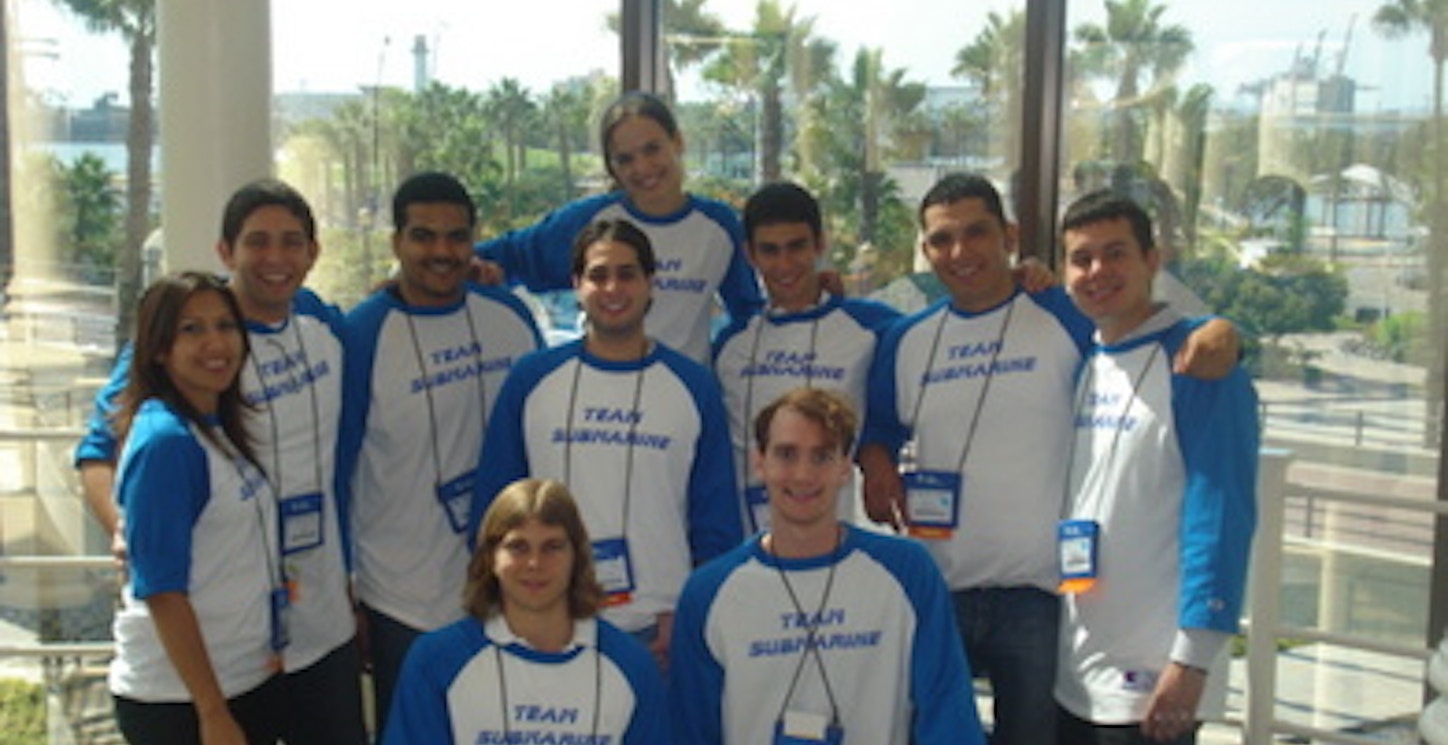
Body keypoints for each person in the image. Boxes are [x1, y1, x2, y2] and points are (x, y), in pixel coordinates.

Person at [856, 173, 1239, 745]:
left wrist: (1229, 334)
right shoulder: (904, 340)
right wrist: (875, 459)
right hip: (941, 590)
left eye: (977, 232)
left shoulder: (1067, 313)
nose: (960, 252)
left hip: (1040, 600)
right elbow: (879, 424)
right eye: (941, 240)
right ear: (926, 250)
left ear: (1009, 235)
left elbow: (1159, 324)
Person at [78, 179, 367, 744]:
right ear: (225, 251)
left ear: (313, 253)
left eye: (292, 242)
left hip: (317, 626)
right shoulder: (184, 343)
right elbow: (96, 453)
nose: (275, 259)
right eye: (258, 242)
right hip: (219, 652)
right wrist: (127, 533)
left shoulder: (324, 326)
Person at [470, 217, 741, 670]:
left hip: (660, 631)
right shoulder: (532, 380)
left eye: (627, 273)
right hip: (550, 623)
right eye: (598, 275)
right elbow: (493, 508)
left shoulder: (693, 387)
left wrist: (692, 616)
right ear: (576, 284)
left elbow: (716, 521)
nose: (613, 288)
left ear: (651, 283)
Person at [338, 171, 544, 733]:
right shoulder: (363, 335)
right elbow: (337, 470)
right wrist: (343, 590)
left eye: (456, 237)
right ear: (396, 243)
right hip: (402, 597)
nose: (441, 252)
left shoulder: (511, 318)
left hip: (510, 588)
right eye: (423, 236)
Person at [1054, 190, 1257, 745]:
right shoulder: (1089, 362)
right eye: (1081, 258)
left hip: (1153, 680)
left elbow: (1222, 513)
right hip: (1076, 670)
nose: (1097, 271)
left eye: (1115, 253)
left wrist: (1191, 661)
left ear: (1152, 259)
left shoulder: (1200, 366)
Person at [669, 387, 984, 745]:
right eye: (786, 454)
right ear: (760, 462)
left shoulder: (909, 573)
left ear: (845, 467)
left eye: (821, 456)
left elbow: (949, 720)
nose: (803, 475)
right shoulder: (708, 593)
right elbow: (690, 732)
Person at [108, 272, 284, 745]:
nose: (216, 343)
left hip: (240, 678)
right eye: (192, 329)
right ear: (159, 348)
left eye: (226, 326)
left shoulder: (217, 426)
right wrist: (212, 712)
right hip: (183, 702)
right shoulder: (166, 442)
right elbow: (162, 591)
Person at [474, 90, 762, 364]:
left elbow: (746, 316)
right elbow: (505, 254)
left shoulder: (719, 227)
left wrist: (714, 367)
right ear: (612, 167)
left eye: (652, 149)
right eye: (625, 159)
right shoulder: (591, 220)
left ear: (678, 142)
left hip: (685, 399)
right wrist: (479, 271)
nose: (642, 168)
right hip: (602, 390)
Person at [383, 478, 668, 745]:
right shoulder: (437, 660)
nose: (534, 563)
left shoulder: (631, 666)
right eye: (517, 547)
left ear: (577, 557)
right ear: (490, 558)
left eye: (552, 547)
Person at [713, 182, 900, 533]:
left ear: (819, 243)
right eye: (770, 250)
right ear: (750, 255)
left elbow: (942, 331)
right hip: (749, 549)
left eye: (796, 247)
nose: (785, 264)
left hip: (838, 541)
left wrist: (1014, 281)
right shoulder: (729, 343)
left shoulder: (871, 327)